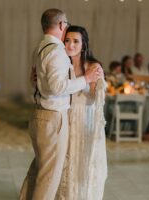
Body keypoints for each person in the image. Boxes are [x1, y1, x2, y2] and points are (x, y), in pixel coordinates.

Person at [19, 9, 102, 200]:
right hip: (52, 118)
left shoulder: (41, 47)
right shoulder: (56, 50)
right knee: (48, 178)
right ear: (61, 25)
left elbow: (43, 82)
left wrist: (35, 82)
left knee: (40, 171)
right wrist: (85, 79)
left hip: (41, 114)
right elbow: (57, 87)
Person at [55, 25, 107, 200]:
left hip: (84, 119)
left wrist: (96, 81)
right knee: (62, 162)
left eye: (76, 41)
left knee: (81, 162)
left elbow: (94, 96)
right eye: (67, 40)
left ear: (84, 44)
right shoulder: (61, 64)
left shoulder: (92, 65)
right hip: (63, 118)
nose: (70, 45)